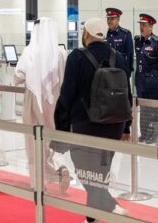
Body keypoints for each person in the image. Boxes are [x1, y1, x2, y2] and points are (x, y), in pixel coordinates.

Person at [55, 17, 129, 219]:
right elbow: (127, 93)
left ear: (86, 34)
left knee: (86, 172)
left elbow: (66, 94)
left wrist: (60, 128)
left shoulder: (77, 57)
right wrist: (127, 128)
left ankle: (103, 211)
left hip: (86, 124)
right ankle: (98, 212)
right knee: (101, 170)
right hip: (114, 124)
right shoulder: (118, 57)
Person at [13, 18, 69, 191]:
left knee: (33, 140)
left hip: (33, 100)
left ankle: (38, 182)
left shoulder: (30, 50)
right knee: (52, 139)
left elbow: (17, 76)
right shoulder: (60, 52)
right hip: (55, 101)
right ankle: (60, 168)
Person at [134, 13, 158, 144]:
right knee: (143, 108)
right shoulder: (137, 40)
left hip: (152, 81)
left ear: (151, 27)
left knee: (153, 109)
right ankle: (144, 133)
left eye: (144, 25)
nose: (141, 27)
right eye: (140, 25)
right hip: (140, 80)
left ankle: (153, 135)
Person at [104, 7, 134, 140]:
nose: (110, 21)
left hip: (121, 75)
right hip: (108, 75)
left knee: (124, 100)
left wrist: (126, 74)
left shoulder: (125, 34)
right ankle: (112, 127)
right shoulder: (105, 35)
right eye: (108, 19)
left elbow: (129, 55)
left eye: (112, 19)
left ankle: (126, 129)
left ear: (118, 19)